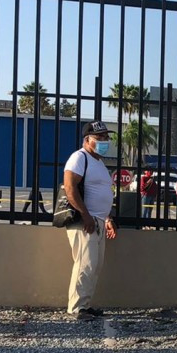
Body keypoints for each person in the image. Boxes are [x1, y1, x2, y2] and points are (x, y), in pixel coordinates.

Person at [63, 121, 119, 321]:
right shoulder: (79, 158)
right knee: (85, 264)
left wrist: (107, 218)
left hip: (98, 221)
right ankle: (77, 308)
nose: (105, 141)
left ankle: (85, 304)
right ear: (88, 140)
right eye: (100, 137)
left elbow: (101, 193)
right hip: (85, 222)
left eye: (106, 137)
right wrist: (86, 215)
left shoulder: (99, 162)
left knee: (95, 265)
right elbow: (70, 187)